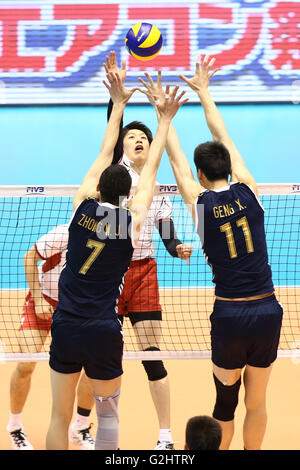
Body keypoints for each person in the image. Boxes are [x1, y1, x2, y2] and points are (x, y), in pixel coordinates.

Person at [140, 56, 283, 450]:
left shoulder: (199, 203)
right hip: (268, 309)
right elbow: (225, 137)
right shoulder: (250, 191)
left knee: (225, 405)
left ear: (202, 175)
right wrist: (205, 93)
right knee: (258, 402)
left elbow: (175, 161)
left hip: (231, 314)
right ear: (229, 168)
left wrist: (163, 114)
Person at [45, 68, 188, 450]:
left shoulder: (80, 207)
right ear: (131, 191)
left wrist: (118, 104)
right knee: (108, 413)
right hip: (103, 327)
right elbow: (151, 172)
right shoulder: (132, 223)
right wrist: (165, 121)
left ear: (96, 188)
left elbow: (103, 154)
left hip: (68, 323)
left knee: (57, 417)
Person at [103, 52, 193, 450]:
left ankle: (165, 436)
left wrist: (178, 247)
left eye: (144, 137)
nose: (138, 140)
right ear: (122, 147)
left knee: (152, 357)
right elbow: (111, 133)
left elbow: (167, 231)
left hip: (142, 273)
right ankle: (88, 429)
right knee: (101, 358)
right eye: (131, 137)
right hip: (107, 275)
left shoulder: (157, 187)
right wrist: (116, 101)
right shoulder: (114, 174)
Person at [6, 224, 95, 450]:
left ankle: (80, 427)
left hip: (74, 309)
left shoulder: (107, 239)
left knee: (95, 365)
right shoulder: (64, 234)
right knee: (26, 364)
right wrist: (37, 298)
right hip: (43, 300)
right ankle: (15, 426)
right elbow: (29, 258)